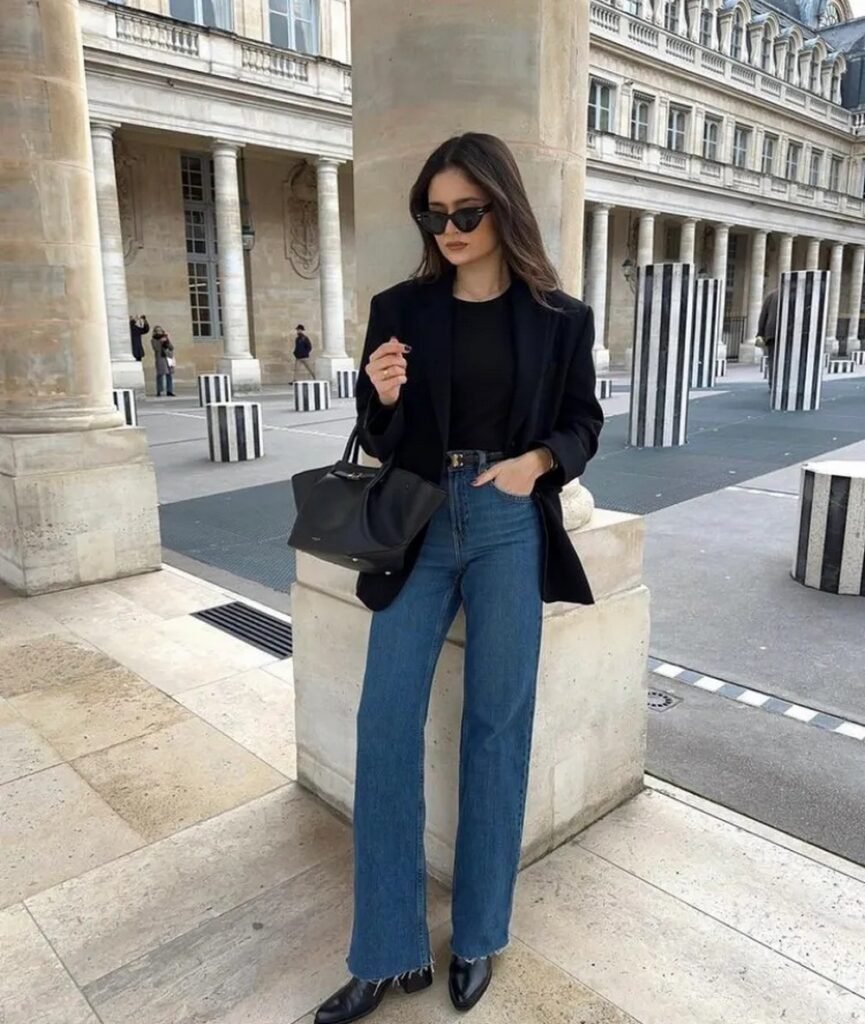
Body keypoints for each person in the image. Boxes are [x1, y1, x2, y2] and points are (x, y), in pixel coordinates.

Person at [314, 134, 603, 1024]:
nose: (447, 228)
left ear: (501, 209)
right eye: (433, 214)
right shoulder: (398, 306)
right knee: (385, 723)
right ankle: (385, 949)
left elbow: (583, 421)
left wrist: (538, 463)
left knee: (495, 727)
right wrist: (385, 396)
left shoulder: (559, 315)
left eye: (464, 213)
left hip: (508, 520)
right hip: (421, 519)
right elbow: (379, 436)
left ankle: (478, 934)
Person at [757, 288, 779, 391]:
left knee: (773, 360)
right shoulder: (796, 294)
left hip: (771, 332)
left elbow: (763, 315)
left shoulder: (771, 295)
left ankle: (773, 384)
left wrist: (760, 333)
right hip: (788, 333)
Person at [151, 325, 175, 397]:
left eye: (160, 330)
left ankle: (169, 391)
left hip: (168, 357)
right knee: (160, 374)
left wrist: (167, 341)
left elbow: (171, 347)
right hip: (160, 358)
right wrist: (160, 342)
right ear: (155, 332)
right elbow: (156, 348)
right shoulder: (154, 340)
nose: (159, 332)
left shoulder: (165, 338)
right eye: (157, 330)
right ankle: (159, 390)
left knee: (169, 374)